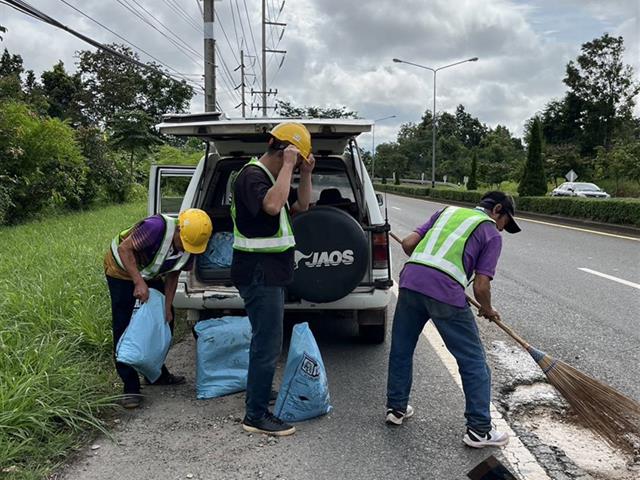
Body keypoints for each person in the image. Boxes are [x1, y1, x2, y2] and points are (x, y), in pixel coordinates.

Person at [385, 191, 521, 448]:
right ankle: (479, 430)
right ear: (497, 210)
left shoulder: (445, 212)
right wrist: (488, 310)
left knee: (402, 349)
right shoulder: (490, 232)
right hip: (445, 292)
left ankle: (396, 408)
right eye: (505, 222)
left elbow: (408, 244)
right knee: (473, 360)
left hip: (411, 283)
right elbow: (481, 286)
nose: (502, 229)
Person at [231, 122, 315, 436]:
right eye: (291, 157)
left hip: (270, 273)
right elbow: (271, 205)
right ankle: (255, 415)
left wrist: (304, 174)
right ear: (281, 149)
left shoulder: (270, 177)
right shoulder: (252, 176)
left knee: (266, 340)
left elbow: (301, 206)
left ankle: (261, 393)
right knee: (266, 344)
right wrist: (290, 165)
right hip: (258, 273)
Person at [105, 208, 213, 409]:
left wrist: (167, 306)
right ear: (179, 230)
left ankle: (155, 373)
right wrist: (138, 282)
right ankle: (130, 386)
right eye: (184, 243)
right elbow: (124, 249)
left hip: (151, 271)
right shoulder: (155, 228)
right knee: (126, 324)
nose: (187, 249)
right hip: (121, 269)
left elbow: (173, 274)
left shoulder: (193, 247)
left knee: (163, 321)